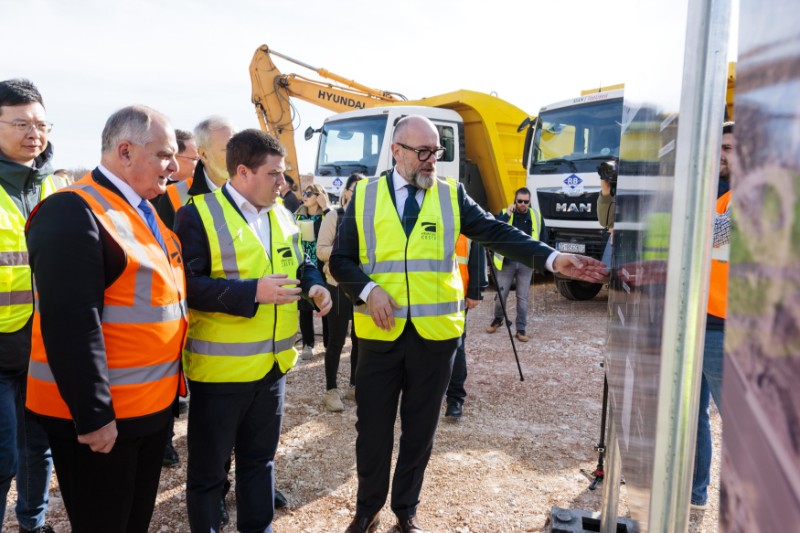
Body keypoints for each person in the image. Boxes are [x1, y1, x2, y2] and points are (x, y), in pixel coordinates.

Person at [330, 115, 606, 533]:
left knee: (420, 432)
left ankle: (406, 512)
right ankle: (367, 509)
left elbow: (497, 232)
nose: (431, 162)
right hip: (379, 338)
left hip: (436, 340)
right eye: (422, 153)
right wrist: (368, 291)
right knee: (372, 432)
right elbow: (341, 261)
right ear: (396, 151)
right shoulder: (364, 196)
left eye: (435, 153)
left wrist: (552, 258)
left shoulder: (450, 194)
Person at [25, 105, 187, 533]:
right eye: (164, 155)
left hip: (148, 410)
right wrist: (94, 417)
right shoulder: (73, 211)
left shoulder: (146, 211)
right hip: (103, 422)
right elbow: (71, 325)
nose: (174, 166)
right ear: (126, 151)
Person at [175, 128, 331, 533]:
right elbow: (186, 287)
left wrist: (313, 284)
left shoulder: (282, 214)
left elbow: (301, 263)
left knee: (259, 464)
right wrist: (253, 293)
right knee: (209, 475)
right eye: (275, 174)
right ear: (242, 172)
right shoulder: (197, 215)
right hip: (221, 374)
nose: (284, 183)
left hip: (272, 368)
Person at [0, 78, 56, 533]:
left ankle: (33, 525)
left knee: (40, 447)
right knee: (2, 455)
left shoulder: (55, 189)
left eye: (40, 123)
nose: (34, 132)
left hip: (43, 347)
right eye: (20, 122)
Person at [691, 121, 735, 511]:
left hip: (728, 325)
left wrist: (691, 203)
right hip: (702, 319)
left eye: (729, 148)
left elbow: (718, 234)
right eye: (718, 147)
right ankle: (694, 496)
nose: (721, 154)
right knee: (693, 416)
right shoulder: (720, 193)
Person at [157, 128, 198, 467]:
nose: (197, 163)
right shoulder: (167, 196)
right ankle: (166, 439)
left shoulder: (202, 193)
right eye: (193, 158)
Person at [316, 173, 364, 412]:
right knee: (336, 341)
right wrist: (341, 252)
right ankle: (331, 390)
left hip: (360, 287)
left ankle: (354, 385)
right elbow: (320, 249)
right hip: (336, 285)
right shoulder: (335, 216)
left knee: (359, 340)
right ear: (346, 192)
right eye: (354, 189)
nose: (357, 194)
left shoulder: (369, 218)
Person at [485, 187, 546, 343]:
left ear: (529, 202)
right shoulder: (506, 213)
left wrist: (540, 261)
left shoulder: (536, 216)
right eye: (519, 201)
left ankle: (520, 329)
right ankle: (498, 319)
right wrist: (507, 215)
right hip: (507, 262)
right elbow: (494, 229)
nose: (522, 204)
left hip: (526, 263)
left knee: (522, 297)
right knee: (501, 295)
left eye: (526, 202)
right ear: (515, 200)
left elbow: (543, 239)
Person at [155, 116, 234, 229]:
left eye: (239, 148)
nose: (237, 156)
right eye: (227, 149)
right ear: (203, 154)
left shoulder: (254, 189)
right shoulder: (174, 196)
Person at [444, 235, 484, 419]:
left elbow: (476, 257)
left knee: (456, 344)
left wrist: (475, 291)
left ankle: (455, 398)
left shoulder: (466, 221)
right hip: (426, 293)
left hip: (457, 296)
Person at [295, 182, 331, 360]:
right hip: (304, 265)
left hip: (322, 266)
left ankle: (328, 343)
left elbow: (336, 225)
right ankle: (307, 344)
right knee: (304, 307)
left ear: (319, 196)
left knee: (324, 303)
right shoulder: (297, 216)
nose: (305, 195)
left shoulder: (326, 216)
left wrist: (326, 207)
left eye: (310, 193)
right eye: (304, 192)